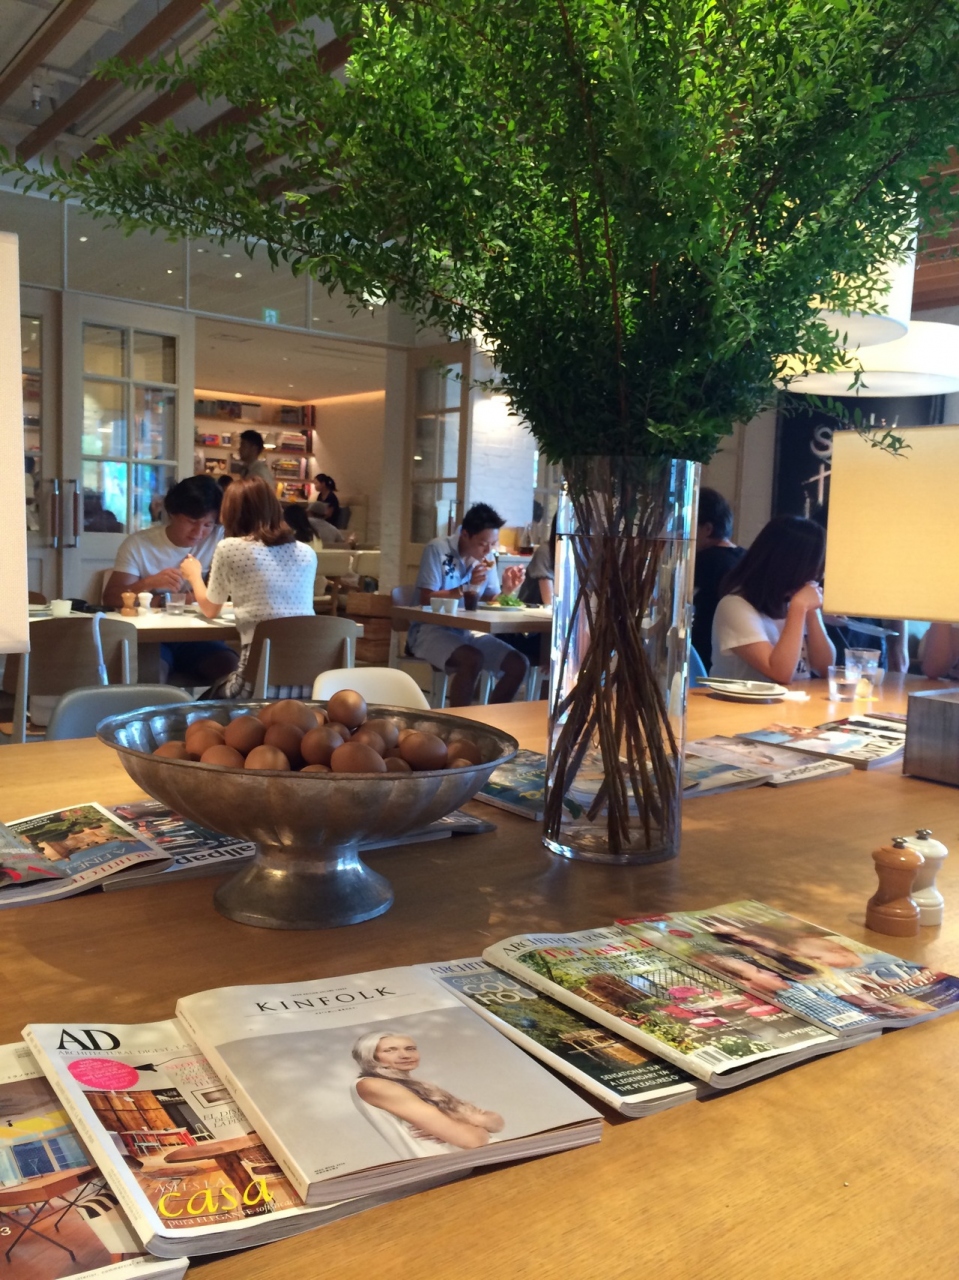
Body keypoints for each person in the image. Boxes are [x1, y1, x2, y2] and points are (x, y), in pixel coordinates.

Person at [181, 476, 317, 699]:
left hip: (255, 686)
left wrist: (194, 575)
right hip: (308, 686)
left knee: (199, 706)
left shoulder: (230, 548)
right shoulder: (307, 553)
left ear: (230, 512)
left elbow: (210, 609)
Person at [105, 475, 237, 686]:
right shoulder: (139, 545)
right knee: (153, 677)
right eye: (192, 522)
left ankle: (199, 708)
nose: (199, 532)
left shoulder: (218, 537)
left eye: (207, 524)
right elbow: (111, 597)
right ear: (173, 514)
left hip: (197, 636)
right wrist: (148, 583)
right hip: (153, 637)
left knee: (232, 671)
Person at [409, 502, 528, 705]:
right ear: (465, 534)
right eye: (483, 544)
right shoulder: (437, 549)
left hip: (466, 630)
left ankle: (491, 720)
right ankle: (459, 722)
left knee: (518, 664)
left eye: (493, 543)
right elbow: (426, 598)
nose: (488, 550)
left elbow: (490, 599)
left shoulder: (486, 557)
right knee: (473, 659)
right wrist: (466, 587)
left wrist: (507, 590)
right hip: (430, 629)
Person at [710, 515, 835, 683]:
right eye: (816, 567)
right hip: (743, 700)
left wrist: (811, 612)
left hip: (794, 699)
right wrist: (799, 608)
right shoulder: (734, 606)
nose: (820, 575)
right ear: (793, 566)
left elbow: (825, 668)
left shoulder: (797, 600)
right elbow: (780, 674)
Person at [351, 1030, 504, 1158]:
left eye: (410, 1048)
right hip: (461, 1163)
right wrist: (474, 1122)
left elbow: (498, 1123)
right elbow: (472, 1141)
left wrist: (471, 1120)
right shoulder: (373, 1085)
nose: (405, 1055)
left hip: (484, 1155)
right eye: (390, 1050)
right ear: (370, 1056)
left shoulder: (419, 1086)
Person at [692, 488, 744, 671]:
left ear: (707, 529)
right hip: (734, 659)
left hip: (703, 658)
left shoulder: (704, 562)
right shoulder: (745, 557)